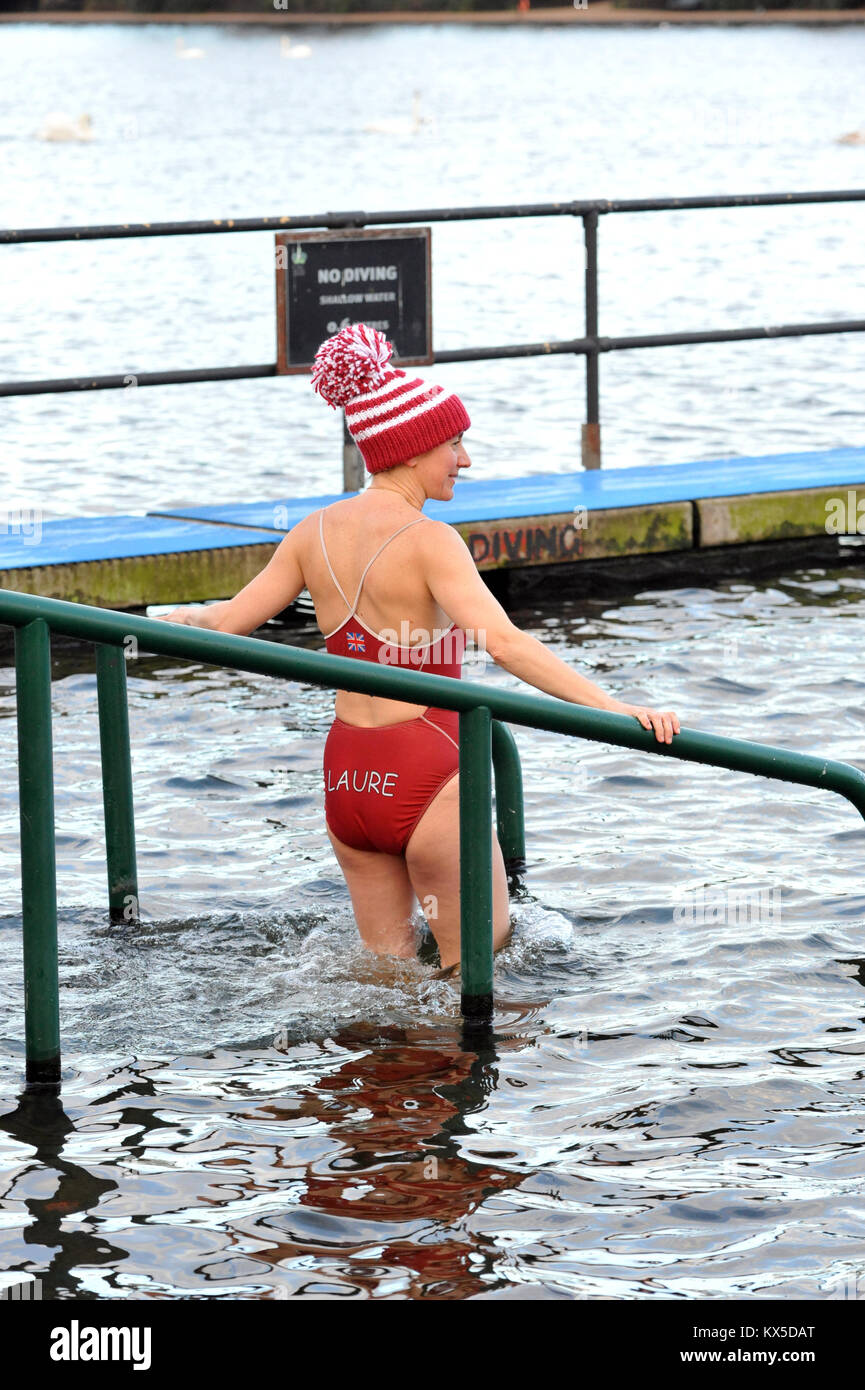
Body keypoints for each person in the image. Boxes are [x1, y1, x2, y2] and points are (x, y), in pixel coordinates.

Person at [157, 322, 680, 972]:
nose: (464, 459)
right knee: (480, 977)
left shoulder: (309, 531)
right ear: (409, 449)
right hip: (429, 772)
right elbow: (508, 646)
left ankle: (385, 1071)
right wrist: (612, 707)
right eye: (453, 443)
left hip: (348, 777)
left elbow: (228, 624)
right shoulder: (431, 540)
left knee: (386, 980)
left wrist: (163, 619)